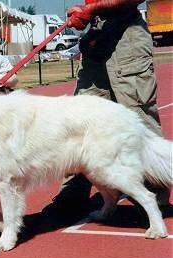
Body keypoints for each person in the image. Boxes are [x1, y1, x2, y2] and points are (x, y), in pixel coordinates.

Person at [45, 0, 170, 215]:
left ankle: (154, 194)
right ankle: (73, 192)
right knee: (77, 120)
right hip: (96, 38)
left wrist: (94, 9)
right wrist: (85, 12)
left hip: (126, 36)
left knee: (137, 114)